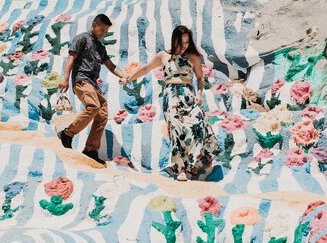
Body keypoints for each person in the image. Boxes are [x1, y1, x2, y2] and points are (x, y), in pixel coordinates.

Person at [121, 25, 219, 181]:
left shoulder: (193, 57)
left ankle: (197, 162)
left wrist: (199, 94)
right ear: (174, 40)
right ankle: (180, 169)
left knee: (198, 123)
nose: (184, 46)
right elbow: (146, 69)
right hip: (170, 95)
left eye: (187, 42)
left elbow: (200, 78)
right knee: (176, 130)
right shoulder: (163, 55)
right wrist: (128, 78)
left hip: (188, 95)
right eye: (181, 42)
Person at [59, 14, 127, 163]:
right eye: (101, 29)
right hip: (81, 80)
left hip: (93, 84)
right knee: (93, 106)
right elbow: (71, 58)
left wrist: (124, 75)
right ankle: (67, 133)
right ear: (94, 25)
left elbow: (110, 65)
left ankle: (90, 149)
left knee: (102, 113)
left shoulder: (100, 47)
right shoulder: (82, 38)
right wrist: (65, 78)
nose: (103, 33)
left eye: (105, 31)